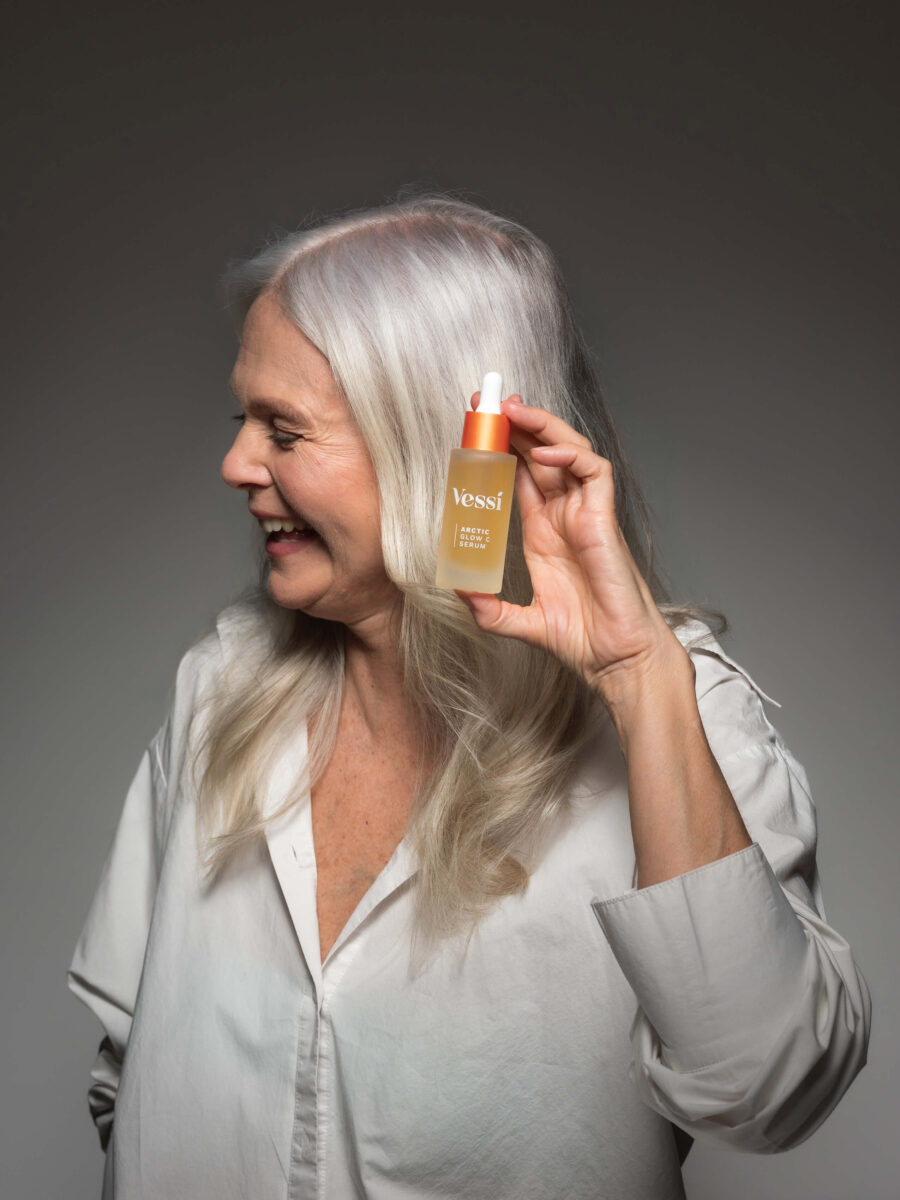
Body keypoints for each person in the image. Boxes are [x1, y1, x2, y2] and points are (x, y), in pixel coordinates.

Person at [67, 192, 871, 1200]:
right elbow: (131, 1066)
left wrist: (639, 679)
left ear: (433, 447)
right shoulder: (222, 686)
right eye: (244, 421)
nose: (236, 465)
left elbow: (769, 1091)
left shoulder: (671, 712)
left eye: (284, 430)